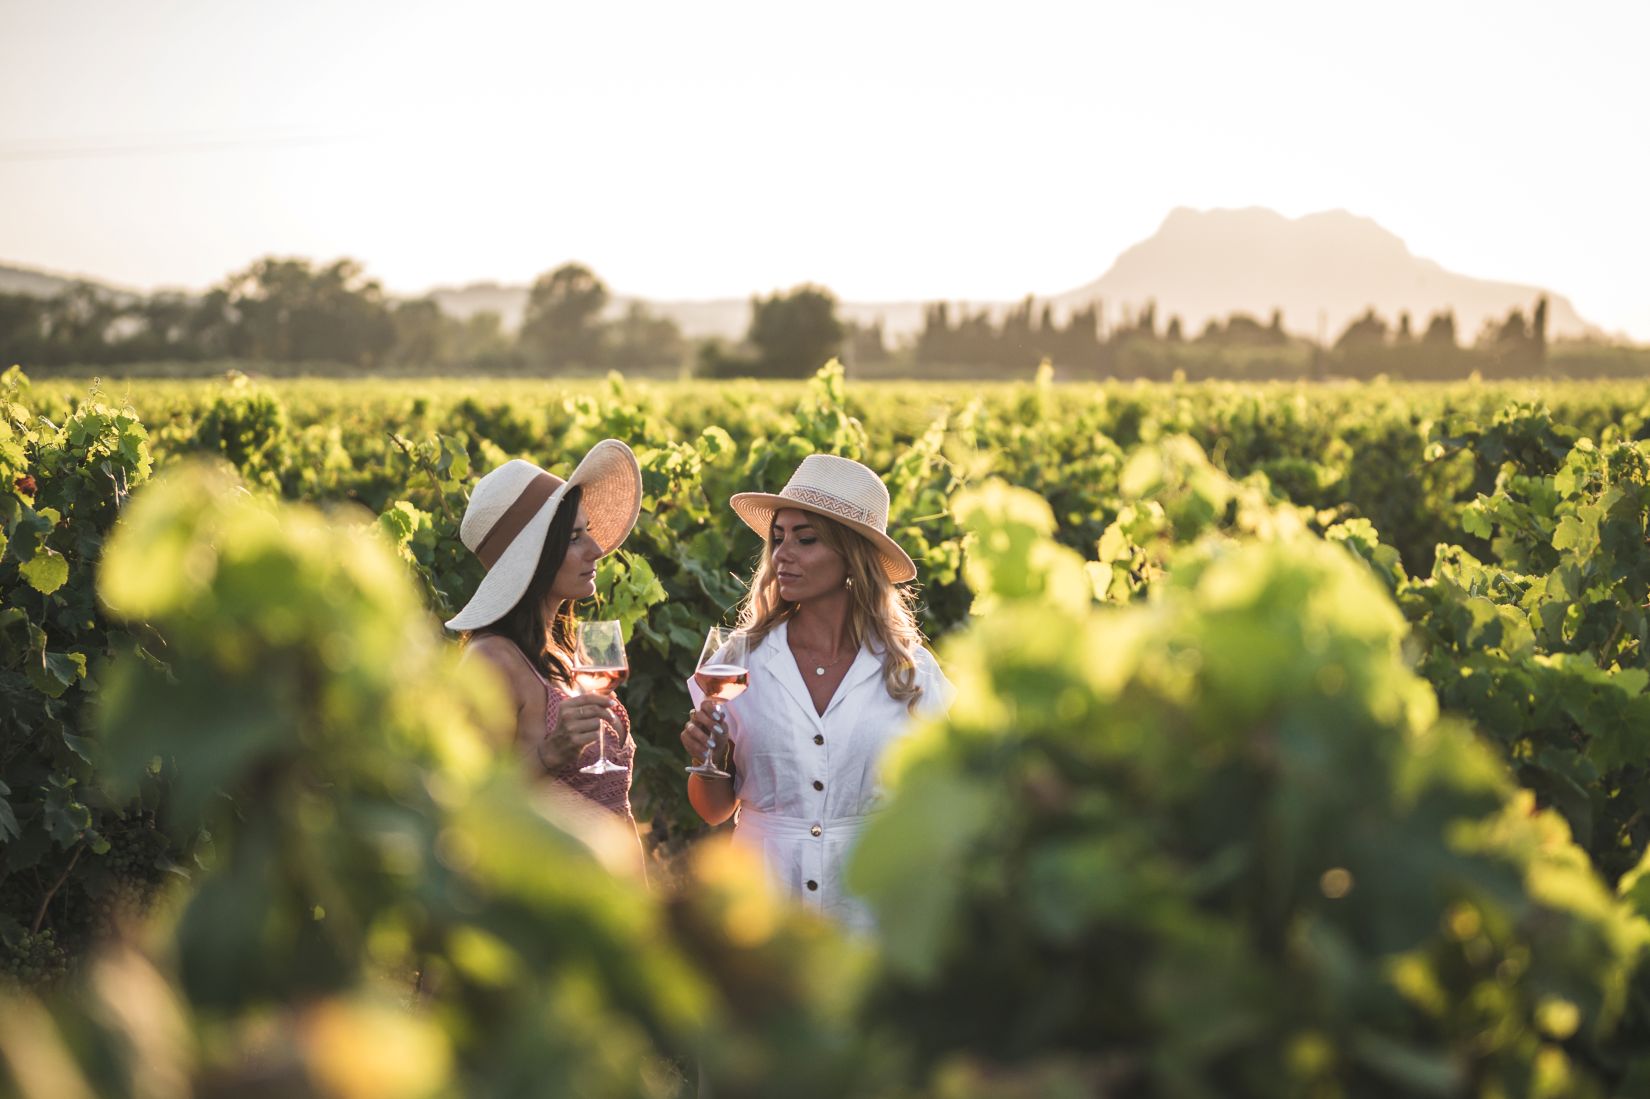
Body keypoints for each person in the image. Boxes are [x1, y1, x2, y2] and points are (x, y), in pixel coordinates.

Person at [679, 453, 954, 931]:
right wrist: (707, 759)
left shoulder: (911, 673)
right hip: (761, 909)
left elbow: (943, 801)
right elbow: (713, 810)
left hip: (869, 908)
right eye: (778, 538)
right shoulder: (738, 662)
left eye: (806, 540)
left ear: (852, 556)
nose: (782, 554)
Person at [447, 442, 643, 826]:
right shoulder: (491, 662)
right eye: (574, 538)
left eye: (587, 531)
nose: (597, 549)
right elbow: (464, 803)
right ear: (535, 559)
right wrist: (549, 754)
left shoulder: (565, 653)